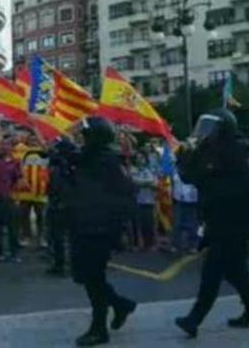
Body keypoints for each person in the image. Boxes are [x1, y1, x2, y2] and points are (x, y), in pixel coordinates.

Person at [174, 109, 249, 339]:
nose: (206, 132)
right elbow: (191, 177)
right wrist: (185, 155)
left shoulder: (238, 154)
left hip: (234, 223)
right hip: (217, 220)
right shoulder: (209, 151)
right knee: (236, 272)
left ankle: (194, 319)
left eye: (211, 127)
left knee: (212, 271)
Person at [65, 117, 137, 346]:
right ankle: (120, 304)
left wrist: (117, 229)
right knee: (86, 277)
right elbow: (67, 154)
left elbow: (124, 197)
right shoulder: (92, 158)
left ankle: (99, 329)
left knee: (93, 279)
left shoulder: (106, 162)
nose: (82, 140)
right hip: (84, 227)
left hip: (98, 230)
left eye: (85, 136)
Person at [47, 138, 76, 276]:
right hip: (72, 205)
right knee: (71, 237)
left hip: (60, 205)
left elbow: (55, 187)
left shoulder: (59, 168)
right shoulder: (75, 166)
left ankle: (60, 265)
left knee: (58, 237)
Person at [129, 153, 157, 252]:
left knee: (148, 224)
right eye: (138, 158)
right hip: (137, 200)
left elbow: (155, 183)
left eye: (142, 157)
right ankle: (136, 244)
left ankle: (149, 244)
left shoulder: (150, 170)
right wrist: (147, 183)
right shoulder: (133, 170)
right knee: (136, 224)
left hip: (149, 200)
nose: (140, 159)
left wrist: (144, 183)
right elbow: (134, 181)